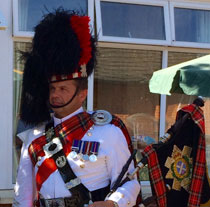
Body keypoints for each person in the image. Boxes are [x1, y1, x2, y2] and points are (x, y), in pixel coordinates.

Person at [13, 9, 140, 207]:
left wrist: (114, 203)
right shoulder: (34, 135)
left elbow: (130, 183)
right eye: (53, 88)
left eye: (63, 88)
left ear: (82, 93)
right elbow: (23, 194)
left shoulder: (109, 131)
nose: (55, 94)